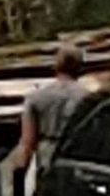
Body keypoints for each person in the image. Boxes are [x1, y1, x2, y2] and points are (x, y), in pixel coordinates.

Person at [13, 43, 91, 178]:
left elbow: (27, 142)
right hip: (77, 159)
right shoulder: (90, 98)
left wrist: (19, 172)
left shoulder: (36, 98)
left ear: (56, 66)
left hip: (47, 157)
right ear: (81, 67)